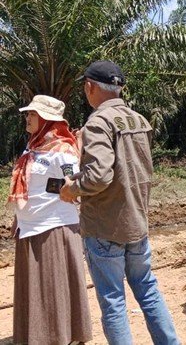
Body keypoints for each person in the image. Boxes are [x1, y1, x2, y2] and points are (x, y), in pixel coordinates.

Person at [60, 60, 179, 344]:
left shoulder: (98, 122)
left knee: (113, 300)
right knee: (147, 289)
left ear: (90, 87)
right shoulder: (138, 120)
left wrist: (71, 189)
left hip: (105, 226)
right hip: (136, 221)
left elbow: (100, 176)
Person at [8, 95, 92, 345]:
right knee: (36, 285)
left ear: (45, 119)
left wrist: (47, 189)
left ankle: (61, 335)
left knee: (52, 285)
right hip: (30, 226)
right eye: (28, 113)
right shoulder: (33, 146)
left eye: (32, 114)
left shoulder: (64, 150)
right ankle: (37, 334)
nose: (27, 118)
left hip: (53, 226)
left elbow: (71, 185)